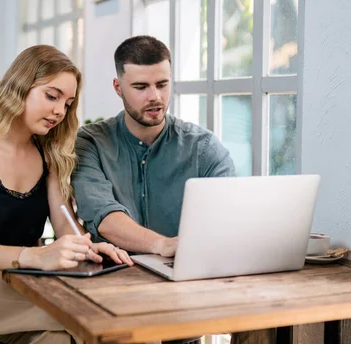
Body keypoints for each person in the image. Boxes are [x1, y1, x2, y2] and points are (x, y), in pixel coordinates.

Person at [0, 45, 133, 344]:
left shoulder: (48, 154)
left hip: (19, 281)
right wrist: (37, 256)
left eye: (68, 103)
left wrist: (91, 248)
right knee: (81, 313)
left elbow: (66, 228)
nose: (60, 111)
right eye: (51, 95)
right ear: (19, 87)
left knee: (54, 336)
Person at [71, 35, 235, 257]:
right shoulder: (91, 143)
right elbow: (104, 217)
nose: (155, 96)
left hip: (186, 273)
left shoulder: (204, 149)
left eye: (162, 84)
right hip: (114, 276)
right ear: (118, 88)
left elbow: (227, 218)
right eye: (141, 87)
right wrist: (161, 245)